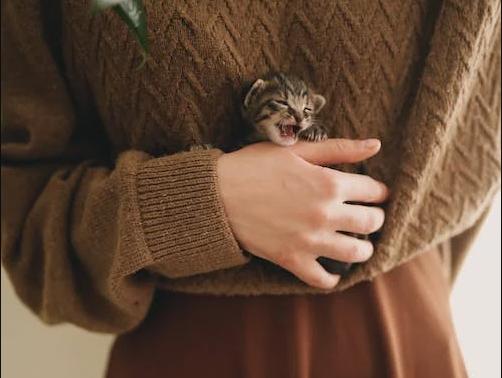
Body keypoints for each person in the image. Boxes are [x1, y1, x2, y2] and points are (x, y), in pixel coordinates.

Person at [1, 1, 500, 377]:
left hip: (406, 331)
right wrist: (197, 202)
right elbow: (27, 214)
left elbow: (477, 139)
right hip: (195, 344)